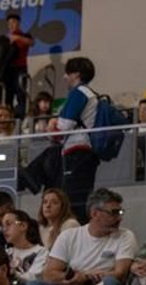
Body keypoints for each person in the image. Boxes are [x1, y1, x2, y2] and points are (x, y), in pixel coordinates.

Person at [26, 188, 136, 285]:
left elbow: (120, 274)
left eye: (120, 212)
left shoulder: (125, 236)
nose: (119, 218)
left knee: (110, 282)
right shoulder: (69, 236)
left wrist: (85, 277)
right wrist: (70, 279)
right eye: (114, 213)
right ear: (94, 213)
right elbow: (49, 273)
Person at [51, 58, 103, 221]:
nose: (65, 77)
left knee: (73, 201)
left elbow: (63, 127)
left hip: (78, 151)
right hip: (86, 151)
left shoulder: (79, 93)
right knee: (81, 199)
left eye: (67, 73)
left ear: (77, 75)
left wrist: (52, 125)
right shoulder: (91, 94)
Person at [0, 210, 47, 281]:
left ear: (23, 226)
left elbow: (34, 279)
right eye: (2, 226)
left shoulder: (41, 252)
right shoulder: (6, 253)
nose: (4, 229)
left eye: (8, 224)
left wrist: (13, 273)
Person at [37, 187, 80, 259]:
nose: (48, 206)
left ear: (62, 207)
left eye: (54, 202)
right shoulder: (42, 227)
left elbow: (62, 254)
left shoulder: (70, 224)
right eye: (45, 202)